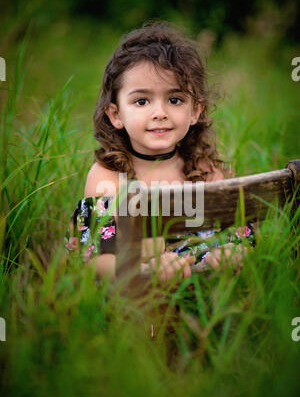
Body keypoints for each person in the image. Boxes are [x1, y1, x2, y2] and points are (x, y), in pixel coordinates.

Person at [65, 22, 255, 282]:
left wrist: (232, 251)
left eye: (175, 99)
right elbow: (97, 260)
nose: (160, 113)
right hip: (136, 302)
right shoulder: (109, 177)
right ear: (116, 114)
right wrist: (146, 270)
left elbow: (240, 232)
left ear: (195, 111)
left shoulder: (203, 169)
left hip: (206, 298)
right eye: (141, 101)